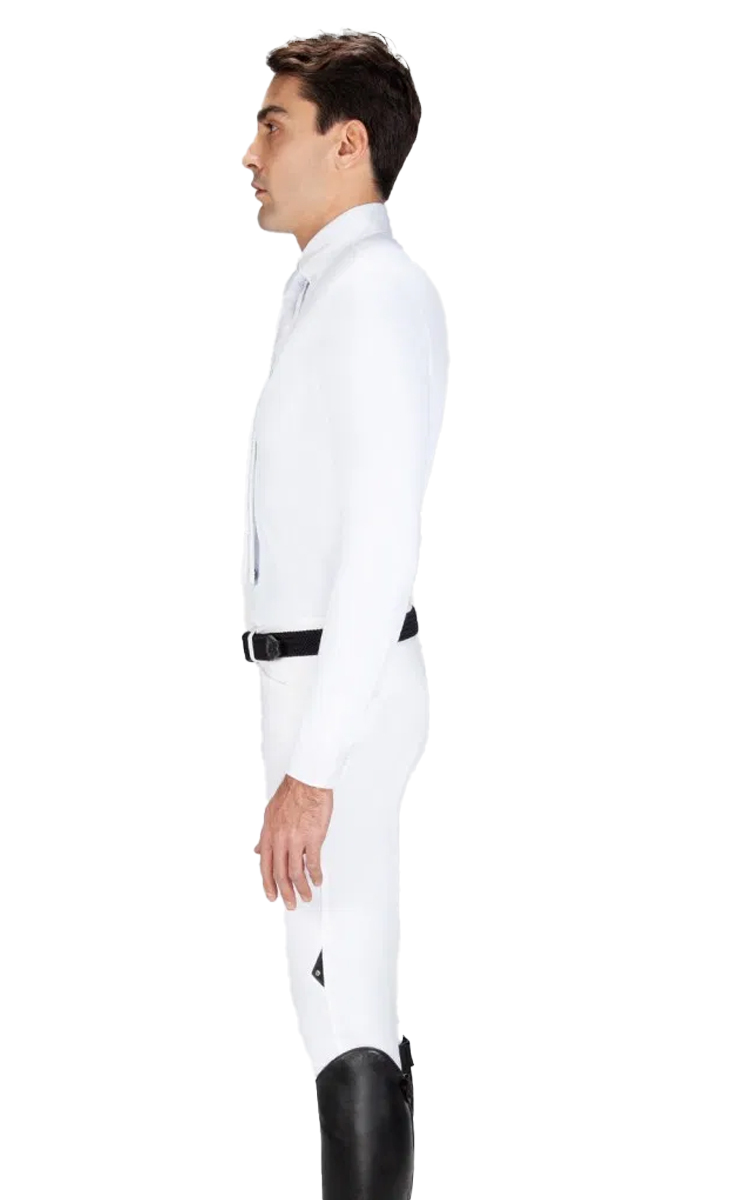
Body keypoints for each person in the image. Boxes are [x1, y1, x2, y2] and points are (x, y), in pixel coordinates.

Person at [239, 31, 448, 1200]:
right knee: (331, 993)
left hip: (342, 694)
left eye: (274, 125)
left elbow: (381, 543)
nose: (250, 154)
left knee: (344, 989)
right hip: (322, 683)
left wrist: (313, 769)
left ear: (347, 142)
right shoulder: (332, 288)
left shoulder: (374, 295)